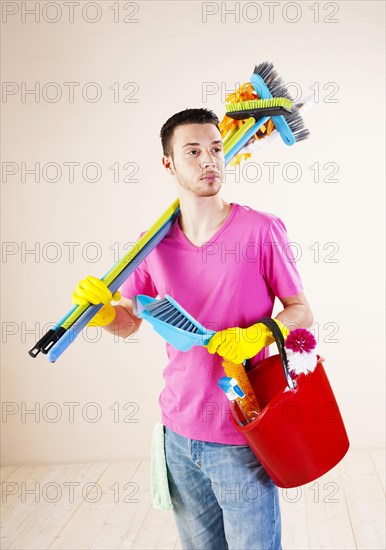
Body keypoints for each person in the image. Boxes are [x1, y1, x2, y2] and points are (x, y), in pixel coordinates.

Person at [73, 108, 313, 550]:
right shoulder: (152, 244)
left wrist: (258, 334)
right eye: (194, 151)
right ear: (169, 163)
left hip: (243, 431)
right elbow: (128, 323)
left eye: (217, 148)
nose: (209, 160)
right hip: (177, 434)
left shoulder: (260, 231)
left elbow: (300, 310)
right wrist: (102, 313)